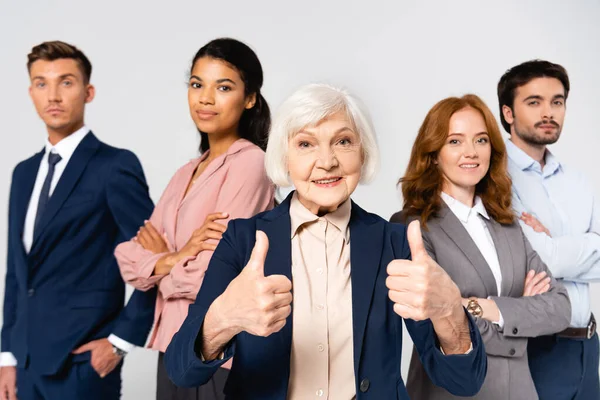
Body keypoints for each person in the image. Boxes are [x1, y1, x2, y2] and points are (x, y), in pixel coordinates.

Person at [162, 83, 487, 399]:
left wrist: (450, 312)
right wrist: (223, 318)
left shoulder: (396, 243)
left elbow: (463, 381)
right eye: (306, 144)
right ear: (284, 156)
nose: (327, 161)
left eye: (343, 141)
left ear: (362, 152)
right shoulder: (243, 240)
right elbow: (182, 370)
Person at [114, 38, 274, 400]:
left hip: (219, 353)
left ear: (249, 98)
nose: (205, 98)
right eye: (197, 84)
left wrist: (159, 273)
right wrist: (176, 256)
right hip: (174, 348)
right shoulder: (185, 172)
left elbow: (213, 276)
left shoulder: (250, 164)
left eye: (224, 87)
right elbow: (127, 256)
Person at [0, 41, 156, 400]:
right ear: (30, 92)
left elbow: (157, 261)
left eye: (66, 82)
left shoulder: (114, 167)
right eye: (41, 83)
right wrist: (7, 355)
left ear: (88, 91)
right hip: (24, 366)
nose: (53, 95)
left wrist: (119, 342)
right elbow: (16, 273)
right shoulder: (23, 174)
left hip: (81, 366)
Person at [393, 93, 570, 399]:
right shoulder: (411, 225)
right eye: (455, 141)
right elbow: (437, 327)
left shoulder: (507, 223)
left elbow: (560, 307)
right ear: (433, 153)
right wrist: (522, 322)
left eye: (481, 140)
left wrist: (482, 307)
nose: (471, 152)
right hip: (451, 392)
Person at [498, 60, 600, 399]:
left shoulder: (578, 181)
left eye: (557, 101)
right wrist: (581, 246)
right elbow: (543, 260)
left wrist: (554, 244)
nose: (549, 112)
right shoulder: (496, 178)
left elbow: (551, 253)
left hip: (588, 343)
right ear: (508, 113)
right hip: (538, 349)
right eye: (534, 102)